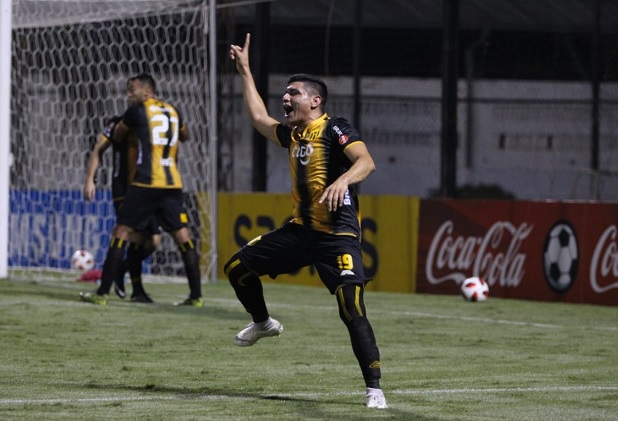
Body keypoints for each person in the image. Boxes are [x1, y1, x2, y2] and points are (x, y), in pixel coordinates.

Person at [225, 33, 387, 409]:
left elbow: (366, 162)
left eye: (293, 93)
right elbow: (259, 118)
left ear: (315, 101)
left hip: (338, 235)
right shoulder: (294, 135)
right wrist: (245, 71)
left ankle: (374, 388)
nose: (286, 98)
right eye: (285, 93)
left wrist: (342, 181)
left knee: (351, 306)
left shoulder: (334, 128)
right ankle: (263, 322)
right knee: (236, 268)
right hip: (301, 231)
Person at [80, 73, 203, 307]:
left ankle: (104, 292)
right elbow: (185, 135)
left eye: (132, 89)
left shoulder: (136, 112)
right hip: (172, 184)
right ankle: (196, 297)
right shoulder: (173, 110)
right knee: (183, 239)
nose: (128, 94)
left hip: (146, 183)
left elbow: (118, 134)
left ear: (146, 91)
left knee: (123, 234)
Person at [83, 111, 159, 304]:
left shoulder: (154, 122)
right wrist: (90, 179)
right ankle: (135, 289)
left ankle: (121, 270)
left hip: (149, 187)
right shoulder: (117, 123)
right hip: (123, 189)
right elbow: (98, 149)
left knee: (153, 241)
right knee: (128, 235)